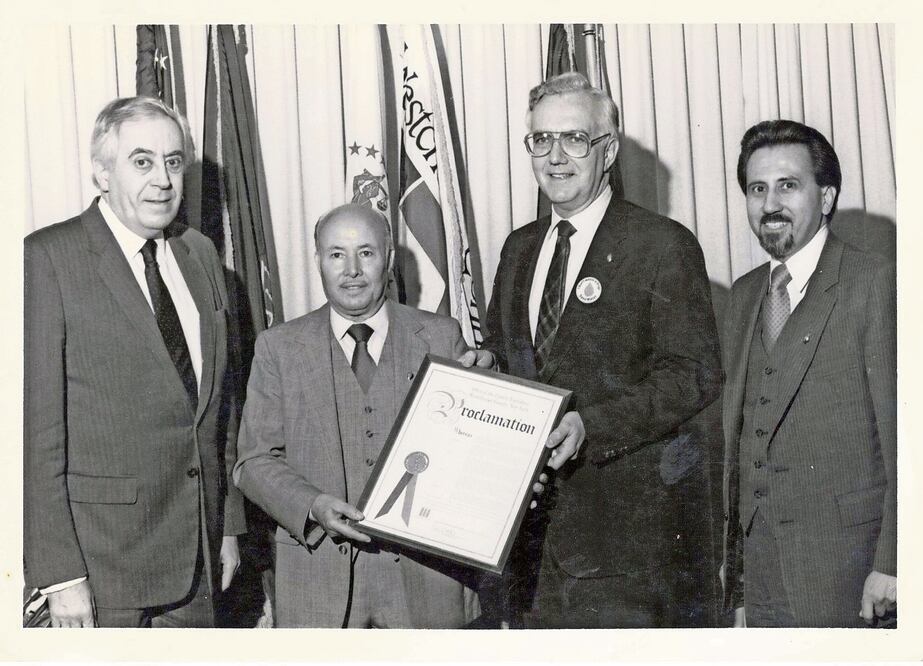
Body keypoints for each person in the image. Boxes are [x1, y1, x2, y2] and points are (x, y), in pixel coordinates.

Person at [478, 72, 723, 628]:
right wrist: (486, 361)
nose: (555, 157)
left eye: (574, 139)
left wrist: (592, 424)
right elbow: (509, 346)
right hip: (526, 543)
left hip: (623, 547)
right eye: (541, 140)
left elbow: (694, 376)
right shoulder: (518, 248)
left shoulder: (663, 245)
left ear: (607, 150)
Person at [24, 96, 245, 628]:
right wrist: (60, 576)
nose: (163, 180)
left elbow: (222, 408)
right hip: (103, 572)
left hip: (199, 554)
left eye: (173, 162)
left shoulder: (200, 255)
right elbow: (34, 435)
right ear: (102, 172)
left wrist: (228, 523)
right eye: (141, 161)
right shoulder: (47, 258)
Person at [233, 203, 490, 628]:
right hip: (317, 580)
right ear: (318, 261)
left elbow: (475, 450)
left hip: (428, 582)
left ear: (388, 258)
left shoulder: (443, 337)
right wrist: (312, 506)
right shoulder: (278, 348)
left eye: (366, 253)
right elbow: (253, 461)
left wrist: (489, 382)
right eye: (337, 254)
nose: (352, 269)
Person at [722, 119, 896, 628]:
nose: (769, 203)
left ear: (825, 197)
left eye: (788, 186)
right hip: (760, 572)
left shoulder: (874, 282)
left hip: (849, 568)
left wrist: (894, 563)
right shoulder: (744, 293)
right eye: (758, 189)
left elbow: (909, 441)